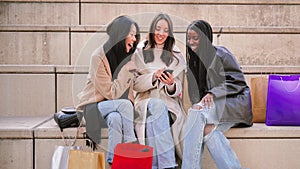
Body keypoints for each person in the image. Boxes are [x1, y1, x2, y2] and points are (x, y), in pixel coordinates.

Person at [181, 20, 253, 169]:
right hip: (212, 110)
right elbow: (197, 98)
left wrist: (213, 93)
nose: (191, 42)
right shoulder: (193, 62)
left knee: (196, 114)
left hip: (233, 104)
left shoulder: (221, 54)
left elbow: (238, 82)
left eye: (196, 38)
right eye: (189, 38)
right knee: (207, 128)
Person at [75, 15, 140, 167]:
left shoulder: (129, 56)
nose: (134, 39)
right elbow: (110, 93)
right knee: (124, 106)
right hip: (94, 106)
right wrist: (125, 71)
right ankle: (132, 144)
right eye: (131, 34)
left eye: (135, 35)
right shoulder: (97, 57)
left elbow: (131, 90)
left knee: (116, 119)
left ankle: (114, 162)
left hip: (114, 109)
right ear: (120, 34)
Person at [132, 13, 186, 169]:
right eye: (158, 29)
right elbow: (134, 84)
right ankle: (168, 164)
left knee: (155, 117)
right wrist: (153, 77)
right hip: (145, 102)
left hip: (169, 104)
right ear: (152, 29)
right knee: (156, 107)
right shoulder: (140, 52)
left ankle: (157, 166)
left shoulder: (176, 55)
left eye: (165, 30)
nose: (161, 34)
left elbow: (179, 88)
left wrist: (170, 84)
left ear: (169, 33)